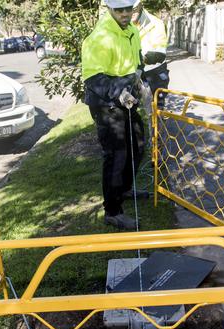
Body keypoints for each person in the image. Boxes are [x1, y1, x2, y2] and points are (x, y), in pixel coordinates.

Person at [82, 0, 149, 230]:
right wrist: (118, 92)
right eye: (118, 10)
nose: (124, 14)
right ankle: (112, 211)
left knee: (138, 144)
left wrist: (141, 82)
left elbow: (136, 61)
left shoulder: (131, 31)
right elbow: (92, 78)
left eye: (127, 9)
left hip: (126, 99)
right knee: (116, 155)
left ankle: (124, 189)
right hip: (105, 103)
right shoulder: (98, 38)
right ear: (109, 9)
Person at [131, 0, 169, 108]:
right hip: (137, 72)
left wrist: (144, 59)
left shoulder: (156, 23)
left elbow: (160, 52)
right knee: (144, 107)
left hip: (155, 72)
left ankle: (158, 122)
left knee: (156, 108)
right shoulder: (126, 25)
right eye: (129, 8)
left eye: (134, 9)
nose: (131, 12)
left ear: (140, 6)